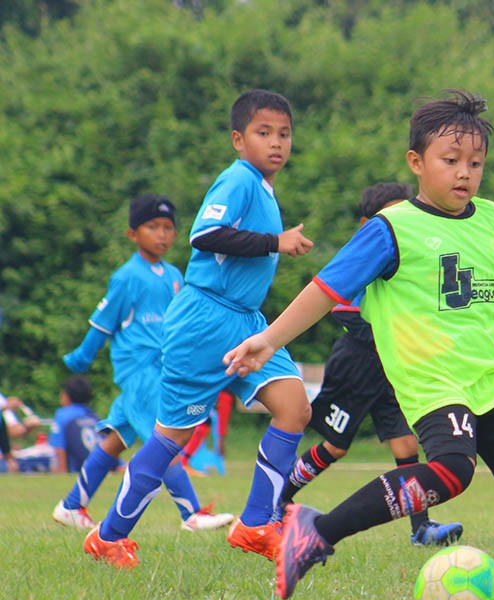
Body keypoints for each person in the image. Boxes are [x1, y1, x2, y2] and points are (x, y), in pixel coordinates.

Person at [224, 90, 494, 600]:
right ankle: (315, 532)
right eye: (451, 161)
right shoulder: (391, 228)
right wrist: (270, 339)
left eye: (476, 164)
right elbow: (327, 289)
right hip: (433, 382)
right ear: (417, 163)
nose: (465, 174)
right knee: (450, 471)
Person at [83, 90, 314, 568]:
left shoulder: (263, 188)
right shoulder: (239, 180)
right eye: (263, 132)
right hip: (205, 320)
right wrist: (277, 240)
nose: (276, 143)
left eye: (284, 134)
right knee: (172, 437)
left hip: (246, 321)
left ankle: (254, 525)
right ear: (238, 139)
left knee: (294, 407)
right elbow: (203, 235)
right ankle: (106, 538)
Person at [276, 181, 464, 547]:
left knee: (406, 444)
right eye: (389, 215)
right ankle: (275, 501)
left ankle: (421, 529)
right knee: (335, 446)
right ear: (367, 223)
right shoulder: (366, 257)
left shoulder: (412, 258)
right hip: (358, 362)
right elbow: (341, 307)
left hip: (392, 364)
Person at [53, 195, 233, 533]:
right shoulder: (126, 277)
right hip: (138, 369)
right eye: (153, 227)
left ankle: (71, 505)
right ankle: (191, 513)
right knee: (164, 437)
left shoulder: (175, 276)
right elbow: (101, 323)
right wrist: (82, 356)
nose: (162, 234)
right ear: (132, 234)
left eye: (168, 228)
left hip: (162, 367)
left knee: (116, 439)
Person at [47, 376, 99, 474]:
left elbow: (59, 447)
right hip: (100, 465)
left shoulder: (62, 415)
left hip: (78, 469)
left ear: (67, 395)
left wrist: (62, 472)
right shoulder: (93, 416)